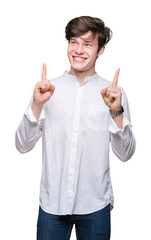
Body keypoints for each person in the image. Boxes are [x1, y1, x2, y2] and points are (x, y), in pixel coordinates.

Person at [15, 16, 136, 240]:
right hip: (53, 205)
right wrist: (36, 104)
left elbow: (125, 154)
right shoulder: (47, 89)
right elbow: (22, 145)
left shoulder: (113, 94)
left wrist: (116, 112)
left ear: (100, 50)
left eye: (88, 44)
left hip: (95, 205)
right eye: (74, 42)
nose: (78, 50)